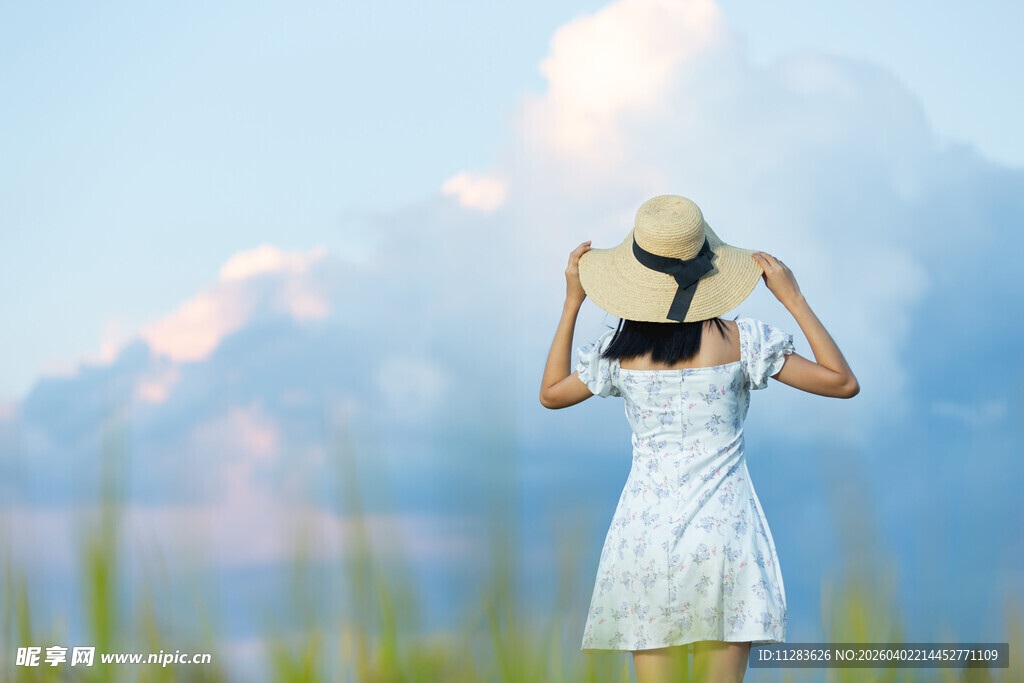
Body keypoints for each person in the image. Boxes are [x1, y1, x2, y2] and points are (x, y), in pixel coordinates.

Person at [538, 195, 859, 683]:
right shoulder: (743, 340)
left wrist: (572, 302)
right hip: (724, 535)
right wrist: (793, 297)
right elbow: (842, 382)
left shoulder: (617, 354)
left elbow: (551, 395)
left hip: (644, 536)